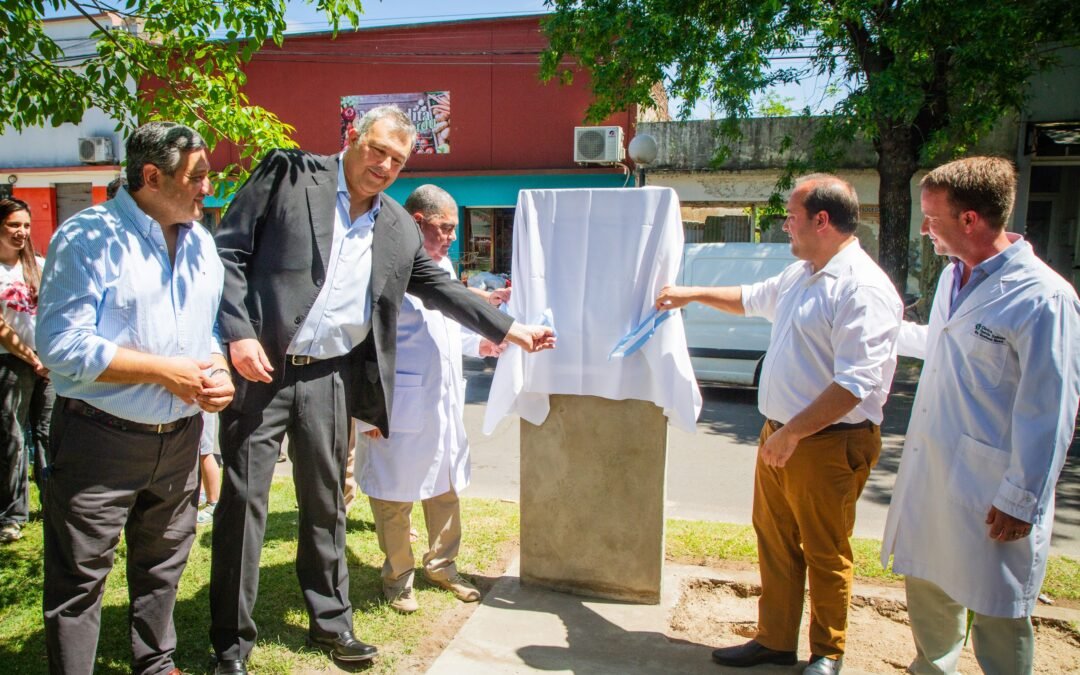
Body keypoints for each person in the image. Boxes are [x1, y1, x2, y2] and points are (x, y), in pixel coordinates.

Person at [210, 105, 555, 674]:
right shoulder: (290, 173)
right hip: (261, 369)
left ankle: (332, 624)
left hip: (330, 377)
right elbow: (229, 252)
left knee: (327, 506)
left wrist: (512, 330)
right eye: (377, 151)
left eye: (397, 160)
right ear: (351, 137)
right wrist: (238, 334)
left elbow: (442, 289)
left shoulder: (396, 225)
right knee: (245, 505)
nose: (385, 166)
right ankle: (231, 647)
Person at [656, 174, 902, 675]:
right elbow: (749, 297)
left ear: (822, 220)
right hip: (781, 435)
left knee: (825, 550)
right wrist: (690, 293)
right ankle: (775, 640)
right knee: (775, 540)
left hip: (826, 441)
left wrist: (792, 434)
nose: (784, 224)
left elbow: (854, 384)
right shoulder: (803, 273)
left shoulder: (862, 287)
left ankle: (828, 651)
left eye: (791, 216)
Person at [36, 121, 233, 675]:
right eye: (197, 177)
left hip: (179, 441)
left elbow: (207, 334)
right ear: (152, 176)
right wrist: (163, 373)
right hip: (99, 438)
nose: (206, 189)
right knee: (79, 578)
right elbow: (60, 345)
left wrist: (216, 371)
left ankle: (155, 663)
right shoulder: (87, 237)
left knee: (164, 565)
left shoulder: (201, 244)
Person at [882, 156, 1080, 674]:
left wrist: (1022, 497)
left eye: (932, 218)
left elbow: (1051, 408)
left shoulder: (1044, 297)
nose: (924, 229)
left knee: (998, 613)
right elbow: (950, 347)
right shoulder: (953, 278)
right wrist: (884, 333)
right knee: (929, 595)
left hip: (994, 490)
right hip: (936, 475)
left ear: (969, 220)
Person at [356, 184, 502, 614]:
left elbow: (448, 331)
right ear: (417, 223)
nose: (453, 236)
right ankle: (398, 578)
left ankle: (442, 565)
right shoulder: (381, 269)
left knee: (445, 487)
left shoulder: (442, 267)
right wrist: (367, 413)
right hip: (397, 407)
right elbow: (361, 345)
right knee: (394, 496)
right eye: (446, 227)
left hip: (440, 405)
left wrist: (483, 347)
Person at [0, 198, 53, 542]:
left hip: (46, 362)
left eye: (26, 225)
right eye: (13, 225)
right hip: (9, 363)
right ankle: (12, 515)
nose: (21, 232)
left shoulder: (40, 265)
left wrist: (48, 356)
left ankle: (55, 504)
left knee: (50, 433)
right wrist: (32, 358)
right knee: (13, 437)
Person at [198, 411, 221, 525]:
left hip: (201, 407)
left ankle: (213, 503)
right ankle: (201, 494)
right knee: (199, 454)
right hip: (198, 406)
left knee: (205, 453)